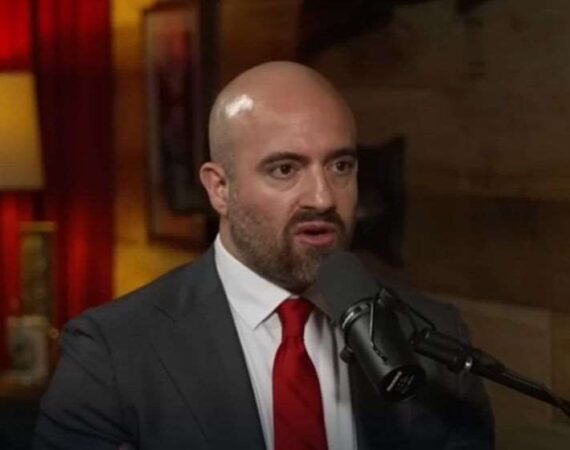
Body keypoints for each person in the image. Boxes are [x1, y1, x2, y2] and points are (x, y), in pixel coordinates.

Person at [34, 61, 494, 449]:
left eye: (340, 165)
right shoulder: (112, 354)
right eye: (285, 169)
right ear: (220, 188)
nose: (323, 197)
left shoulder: (434, 340)